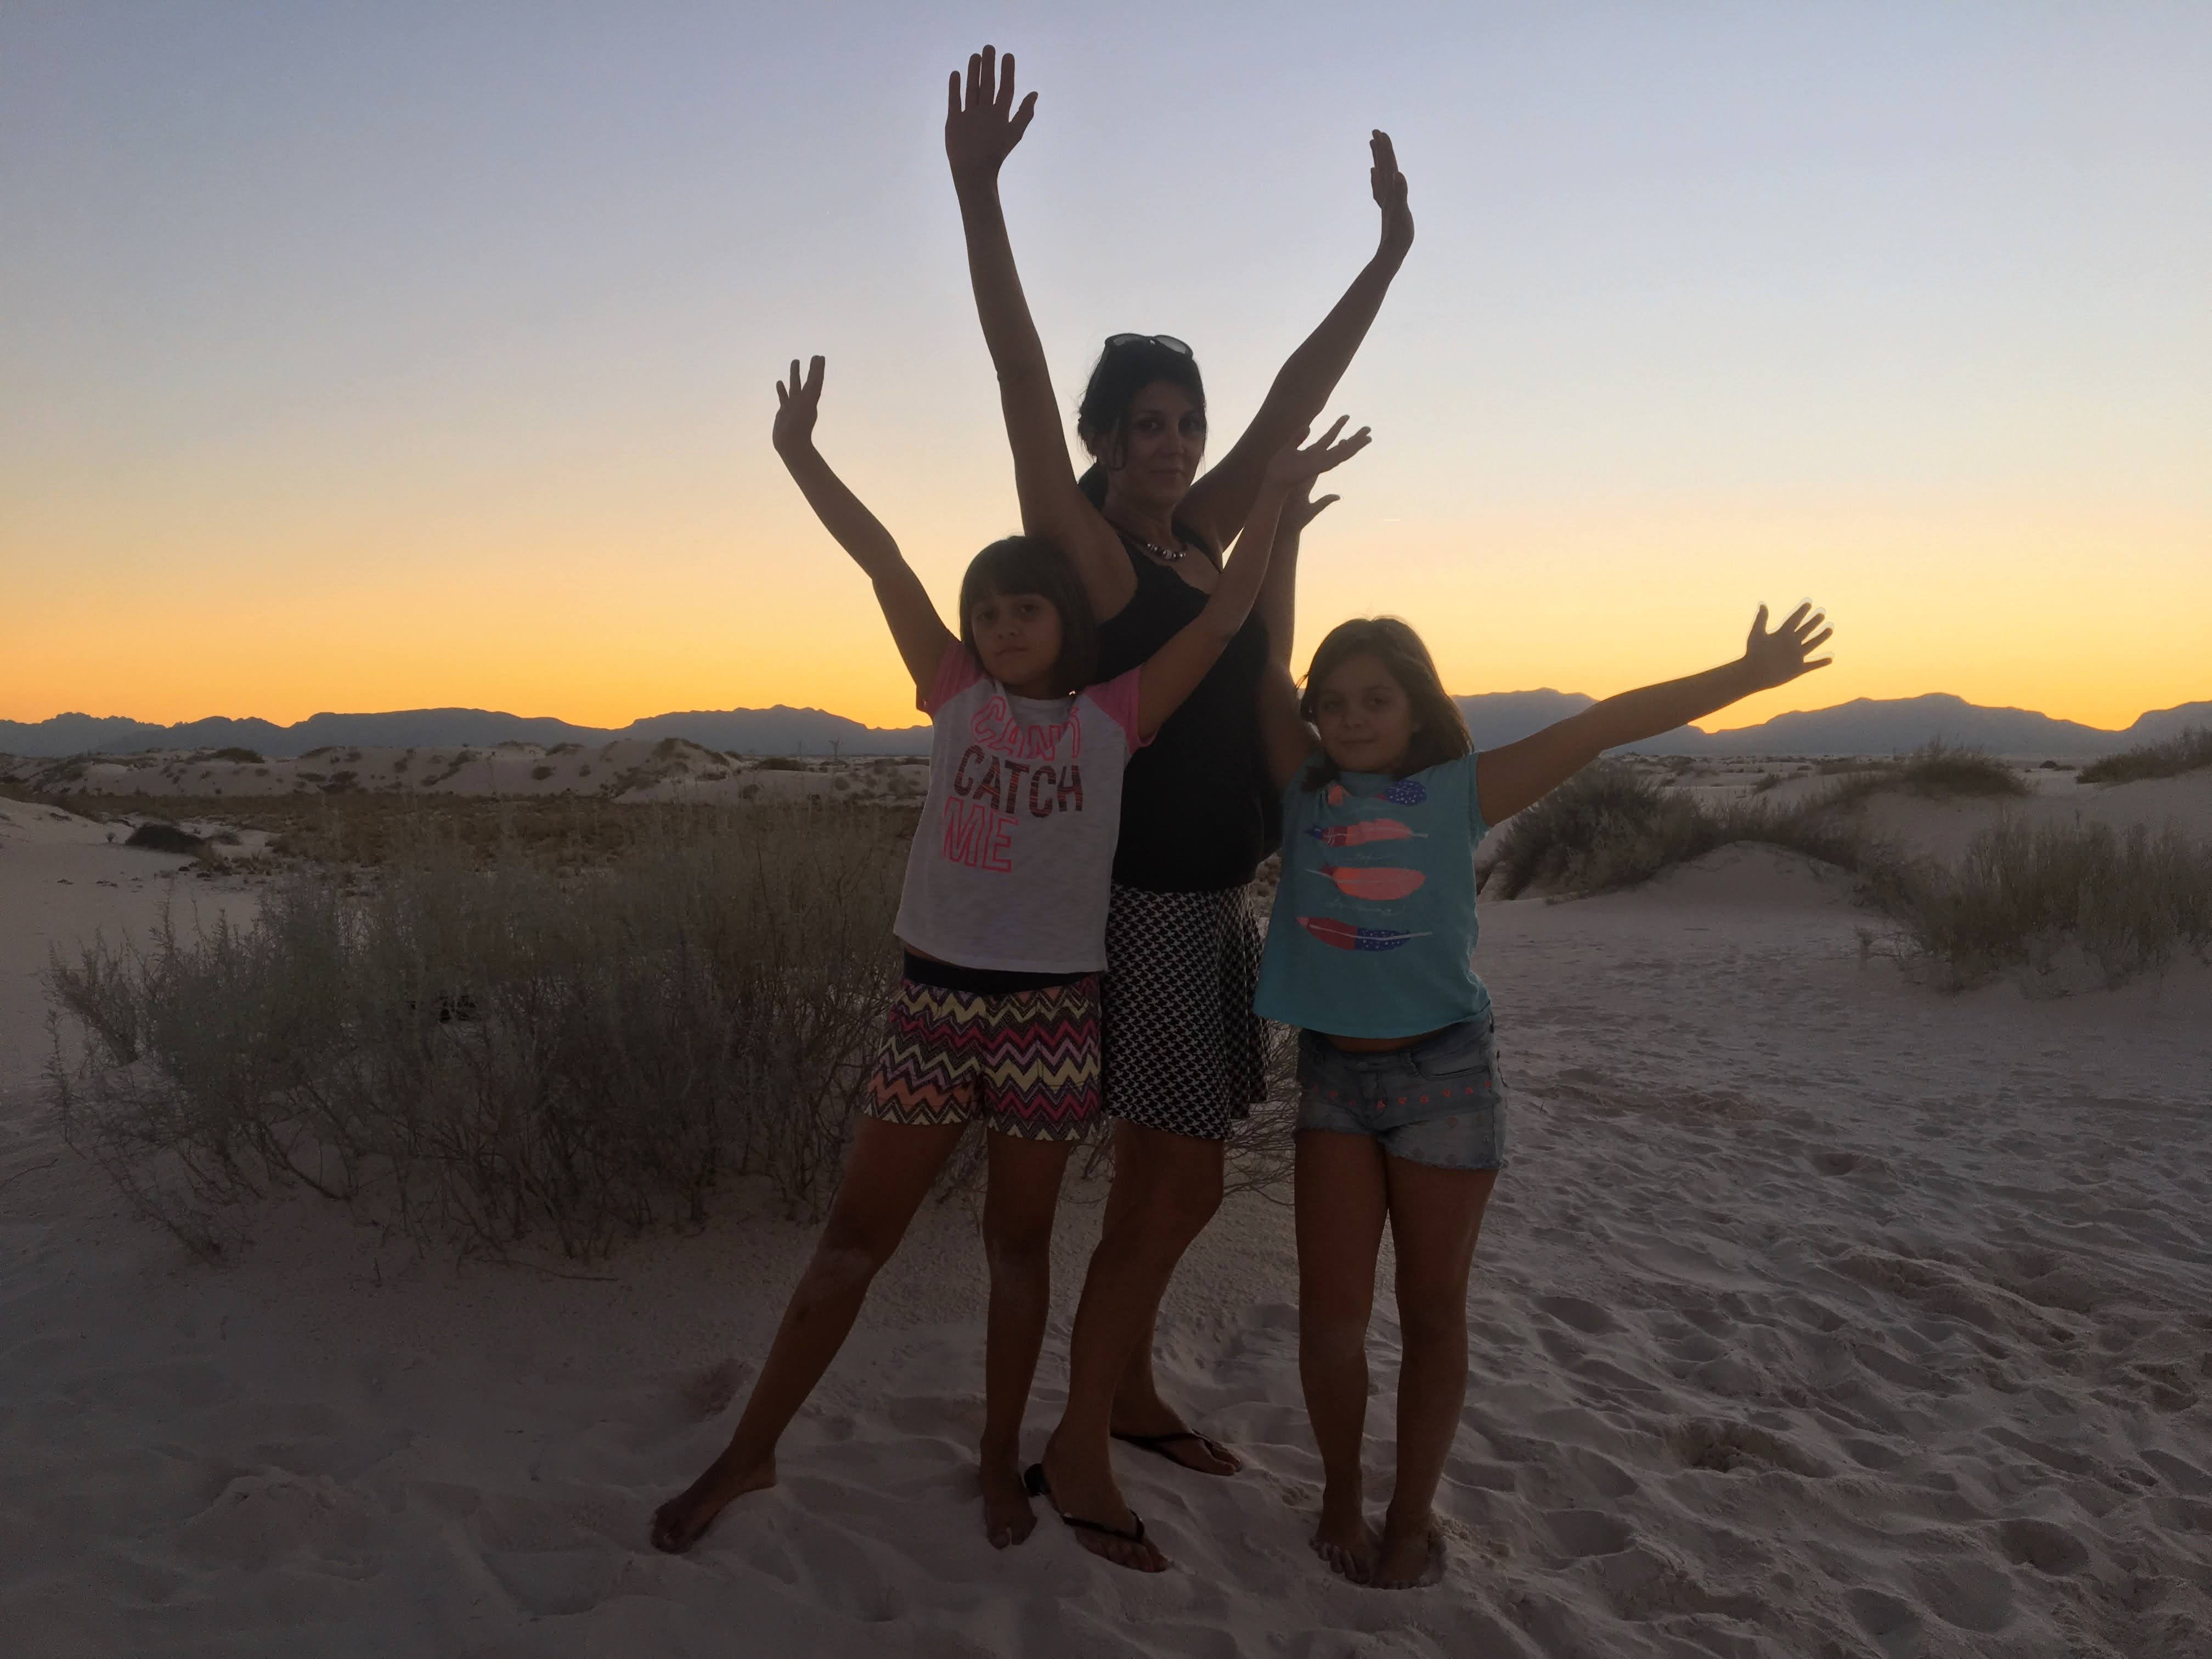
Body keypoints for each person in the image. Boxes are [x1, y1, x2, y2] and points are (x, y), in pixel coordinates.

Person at [648, 354, 1366, 1555]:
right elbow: (883, 561)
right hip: (933, 1008)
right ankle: (750, 1447)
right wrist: (801, 457)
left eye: (1027, 610)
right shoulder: (952, 696)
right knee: (852, 1239)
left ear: (1069, 626)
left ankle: (1001, 1459)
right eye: (988, 612)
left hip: (1048, 1020)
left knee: (1018, 1248)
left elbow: (1235, 621)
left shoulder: (1110, 720)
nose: (1004, 627)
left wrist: (1283, 513)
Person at [946, 44, 1412, 1571]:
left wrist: (1388, 253)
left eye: (1184, 423)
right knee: (1189, 1168)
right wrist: (977, 199)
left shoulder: (1214, 544)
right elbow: (1018, 381)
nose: (1176, 444)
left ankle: (1126, 1389)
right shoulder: (1093, 557)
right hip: (1141, 899)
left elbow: (1293, 396)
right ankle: (1076, 1441)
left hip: (1217, 897)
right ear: (1104, 441)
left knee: (1169, 1169)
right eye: (1147, 424)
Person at [1254, 604, 1835, 1587]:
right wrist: (1278, 507)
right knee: (1331, 1314)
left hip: (1444, 1077)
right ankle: (1344, 1492)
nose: (1352, 720)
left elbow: (1599, 725)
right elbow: (1262, 653)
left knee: (1433, 1308)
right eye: (1335, 703)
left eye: (1376, 700)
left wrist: (1744, 678)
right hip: (1334, 1081)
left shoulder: (1458, 790)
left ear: (1416, 708)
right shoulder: (1303, 791)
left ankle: (1411, 1513)